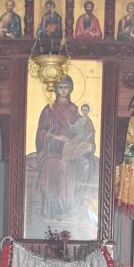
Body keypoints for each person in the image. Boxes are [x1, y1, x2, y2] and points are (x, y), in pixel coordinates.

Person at [33, 75, 95, 222]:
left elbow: (83, 130)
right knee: (62, 166)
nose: (63, 90)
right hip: (52, 151)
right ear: (56, 89)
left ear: (70, 89)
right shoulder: (49, 110)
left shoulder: (74, 110)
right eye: (60, 87)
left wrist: (83, 140)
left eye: (66, 87)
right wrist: (54, 137)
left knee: (86, 164)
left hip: (71, 150)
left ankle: (76, 207)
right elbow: (41, 132)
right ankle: (57, 211)